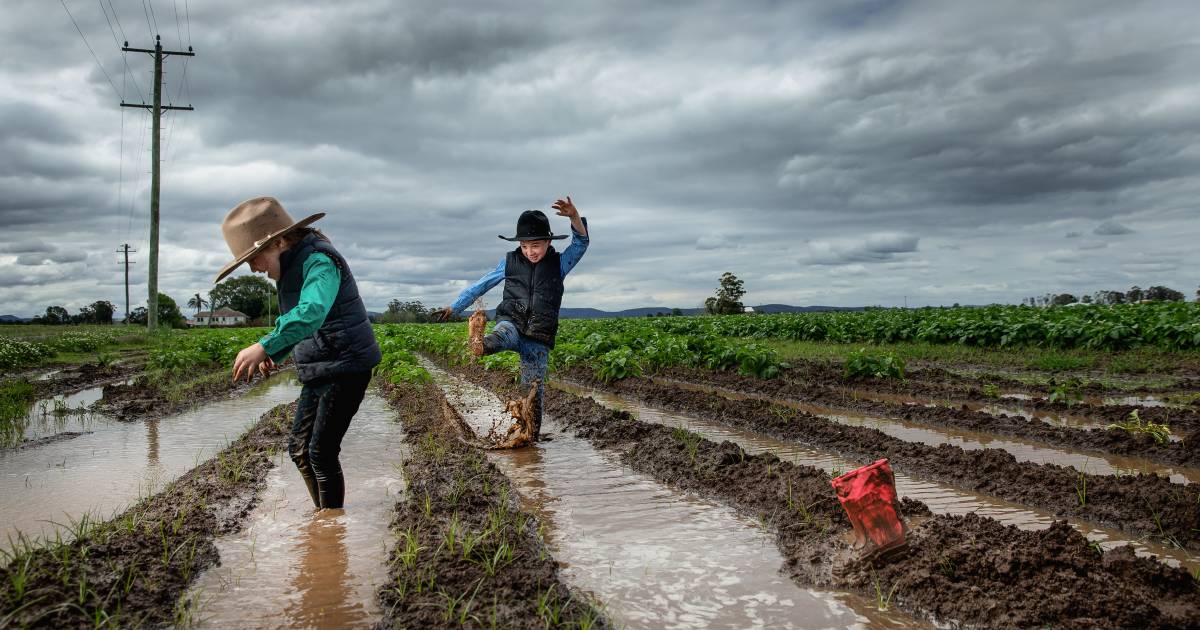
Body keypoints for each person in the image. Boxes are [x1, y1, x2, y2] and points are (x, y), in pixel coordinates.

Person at [216, 196, 381, 510]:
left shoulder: (320, 261)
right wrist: (274, 354)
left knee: (321, 452)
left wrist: (264, 345)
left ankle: (331, 526)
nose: (253, 268)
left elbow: (312, 312)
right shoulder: (291, 267)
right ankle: (325, 518)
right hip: (322, 367)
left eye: (254, 258)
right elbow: (304, 326)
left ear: (278, 242)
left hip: (347, 365)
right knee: (300, 450)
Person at [434, 197, 589, 440]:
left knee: (533, 393)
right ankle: (480, 344)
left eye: (536, 245)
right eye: (525, 246)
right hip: (512, 323)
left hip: (538, 338)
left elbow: (580, 243)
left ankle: (530, 438)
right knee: (500, 335)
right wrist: (454, 307)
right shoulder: (509, 262)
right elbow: (482, 285)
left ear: (548, 242)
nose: (530, 252)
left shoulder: (559, 264)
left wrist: (574, 217)